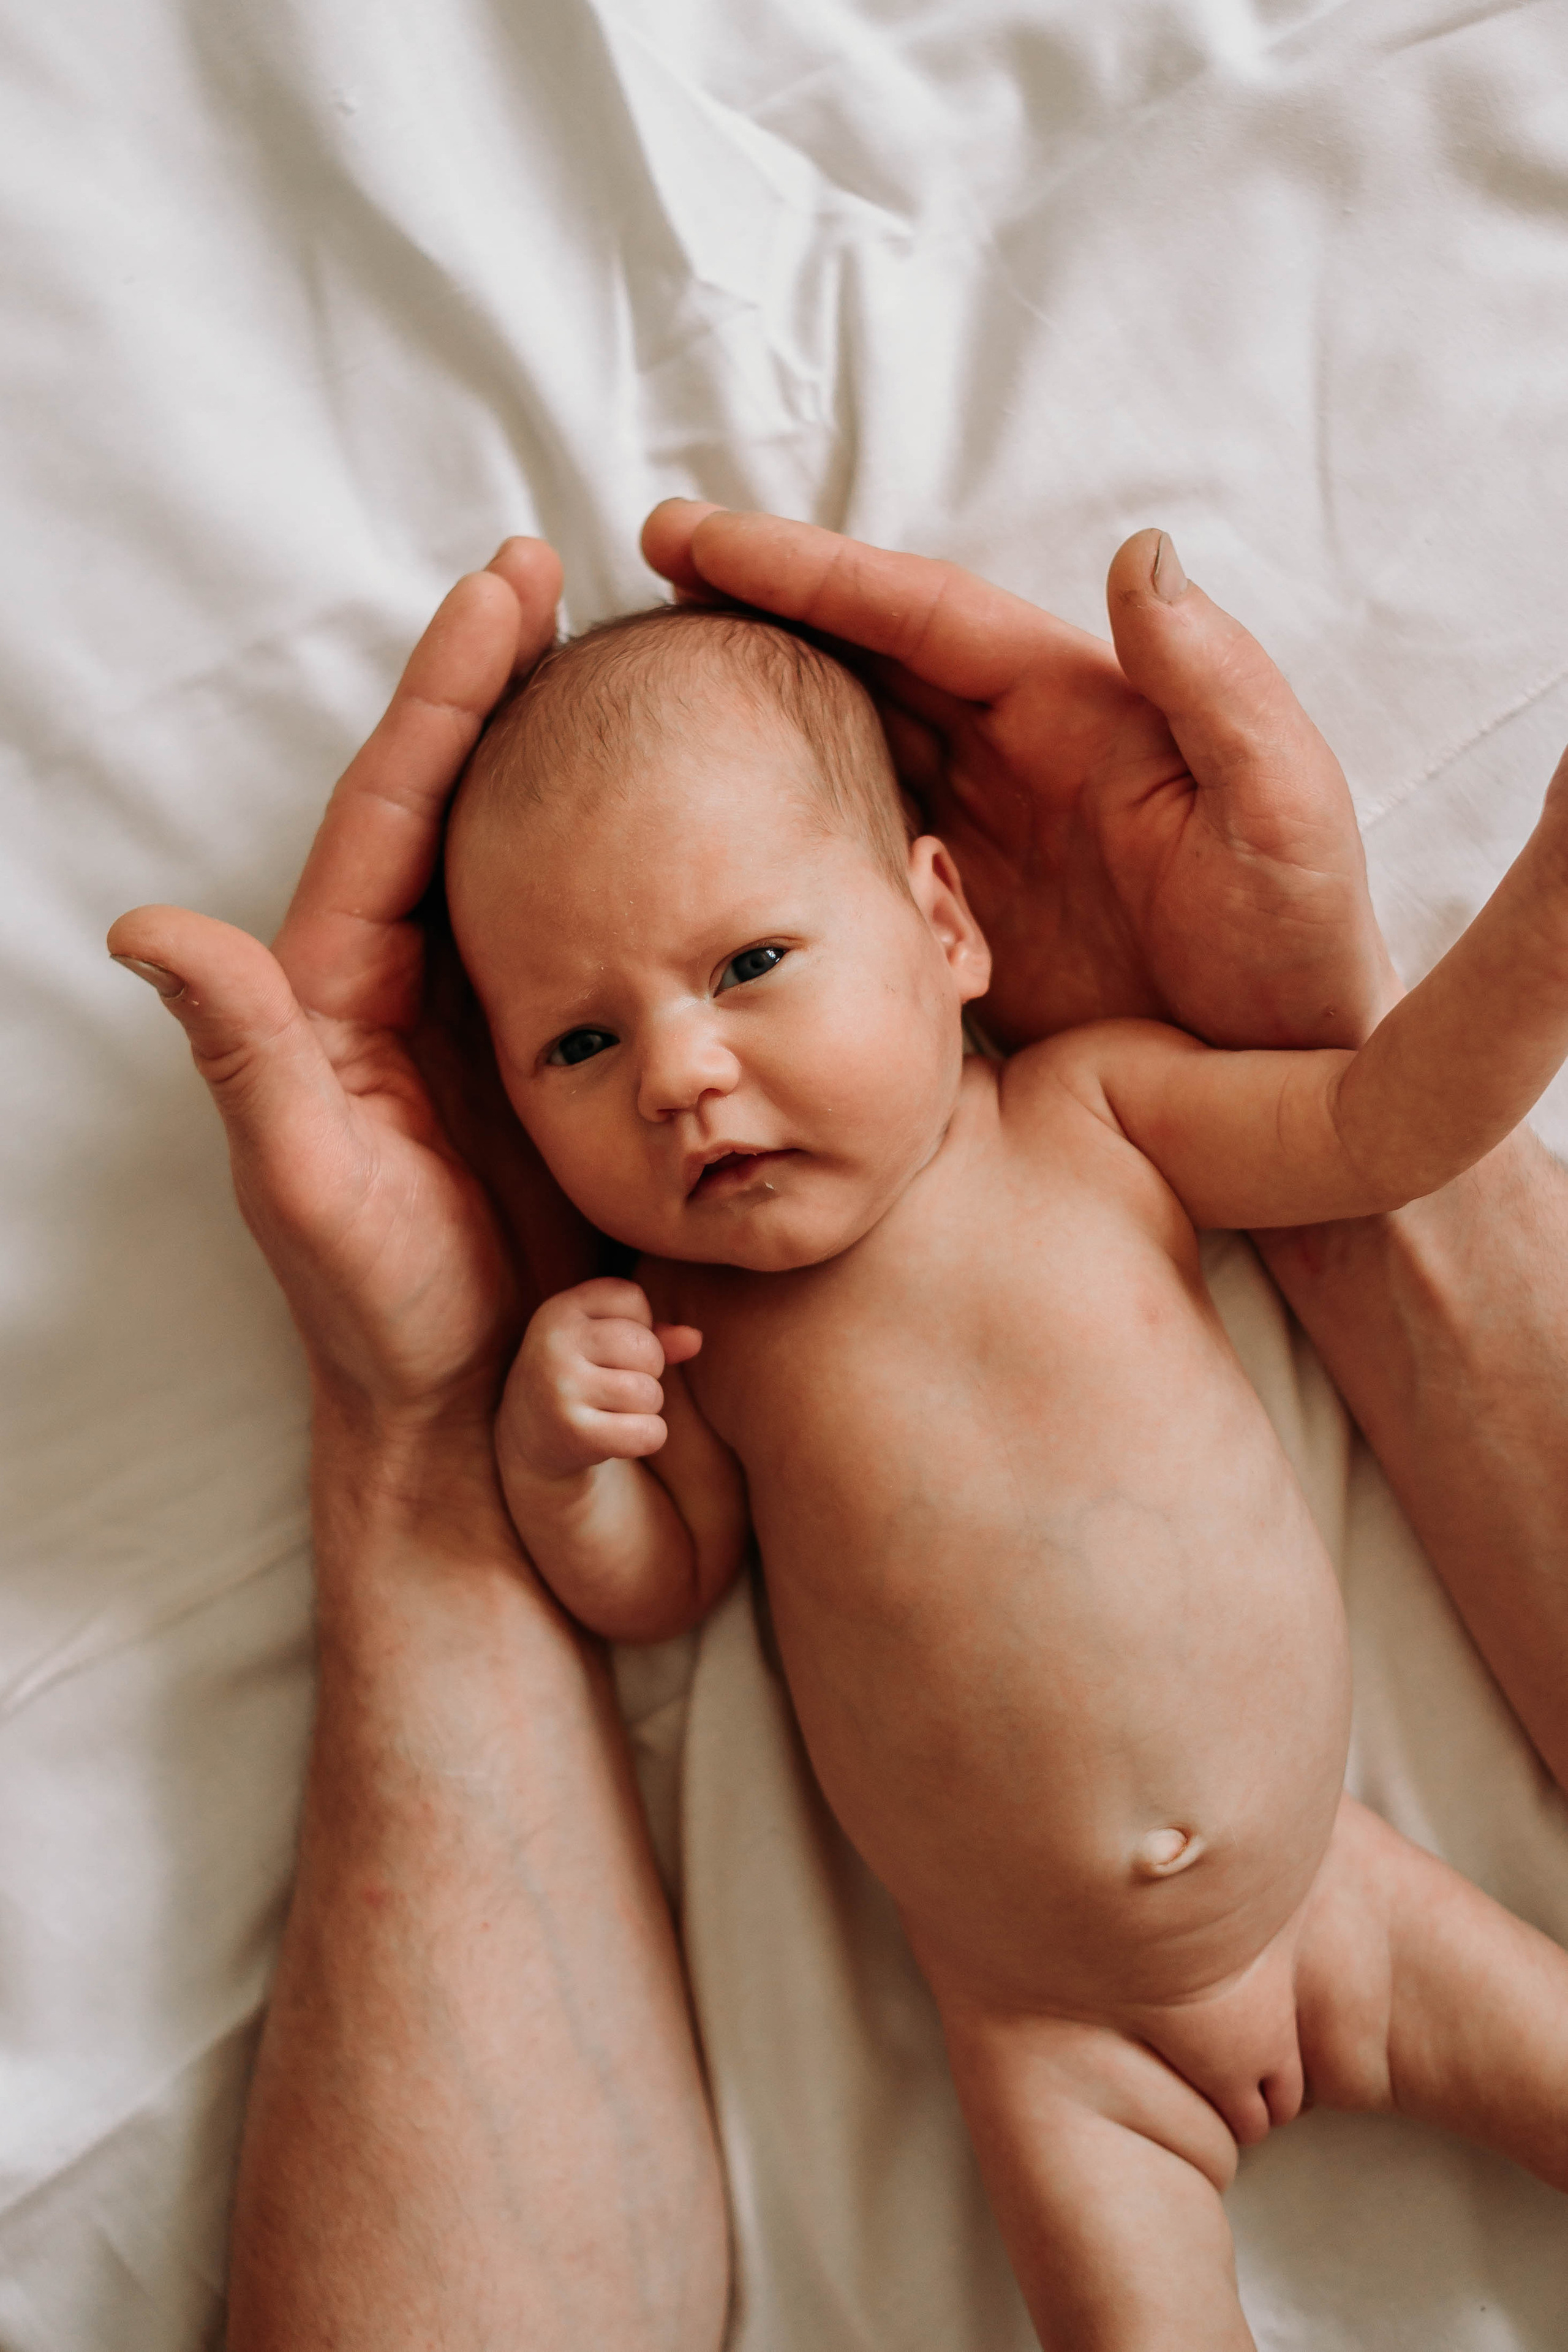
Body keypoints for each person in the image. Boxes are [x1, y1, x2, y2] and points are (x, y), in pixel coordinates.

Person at [106, 508, 1568, 2350]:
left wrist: (1541, 925)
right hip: (1059, 2044)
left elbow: (1381, 1132)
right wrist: (555, 1458)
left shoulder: (1094, 1119)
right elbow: (659, 1584)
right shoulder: (702, 1338)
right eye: (576, 1048)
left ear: (942, 925)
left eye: (746, 965)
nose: (680, 1071)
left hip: (1341, 1895)